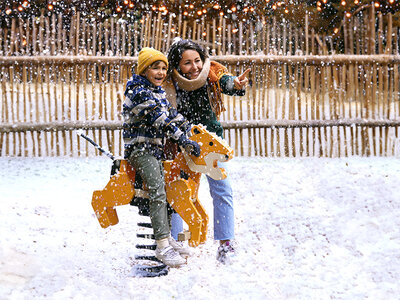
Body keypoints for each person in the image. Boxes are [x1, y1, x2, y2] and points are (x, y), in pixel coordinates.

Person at [164, 39, 250, 264]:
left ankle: (226, 244)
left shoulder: (211, 72)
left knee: (222, 189)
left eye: (197, 61)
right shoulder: (168, 82)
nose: (194, 67)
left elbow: (226, 81)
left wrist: (236, 84)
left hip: (210, 144)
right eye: (187, 63)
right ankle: (176, 244)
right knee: (178, 193)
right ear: (176, 65)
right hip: (180, 144)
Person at [122, 47, 201, 268]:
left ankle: (166, 238)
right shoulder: (138, 92)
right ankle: (162, 245)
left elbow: (171, 115)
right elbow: (160, 119)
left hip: (154, 150)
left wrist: (190, 129)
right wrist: (181, 139)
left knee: (166, 191)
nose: (161, 72)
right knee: (157, 191)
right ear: (144, 70)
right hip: (140, 150)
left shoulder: (156, 91)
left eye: (164, 68)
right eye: (155, 67)